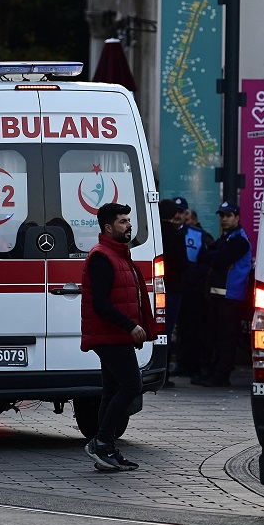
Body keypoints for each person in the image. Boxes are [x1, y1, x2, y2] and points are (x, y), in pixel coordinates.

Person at [80, 202, 157, 472]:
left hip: (115, 335)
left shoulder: (118, 254)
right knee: (131, 386)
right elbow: (100, 303)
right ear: (108, 227)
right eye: (123, 221)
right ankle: (101, 441)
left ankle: (106, 447)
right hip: (110, 335)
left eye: (129, 220)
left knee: (112, 389)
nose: (129, 225)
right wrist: (130, 326)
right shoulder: (102, 256)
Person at [191, 202, 251, 388]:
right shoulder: (227, 238)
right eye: (221, 216)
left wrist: (216, 257)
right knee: (216, 336)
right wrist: (216, 257)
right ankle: (214, 373)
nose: (223, 219)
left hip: (231, 297)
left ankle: (221, 375)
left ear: (237, 218)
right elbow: (206, 255)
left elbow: (218, 259)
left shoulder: (239, 240)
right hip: (219, 295)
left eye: (228, 215)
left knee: (226, 339)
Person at [170, 197, 211, 378]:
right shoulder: (164, 232)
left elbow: (205, 262)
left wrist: (191, 277)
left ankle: (191, 365)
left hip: (192, 290)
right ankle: (180, 363)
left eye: (182, 212)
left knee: (191, 329)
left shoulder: (197, 234)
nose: (178, 215)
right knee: (173, 329)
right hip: (172, 288)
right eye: (176, 211)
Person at [157, 199, 188, 386]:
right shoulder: (177, 235)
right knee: (166, 331)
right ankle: (164, 374)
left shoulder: (153, 233)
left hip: (155, 286)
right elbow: (183, 263)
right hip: (173, 288)